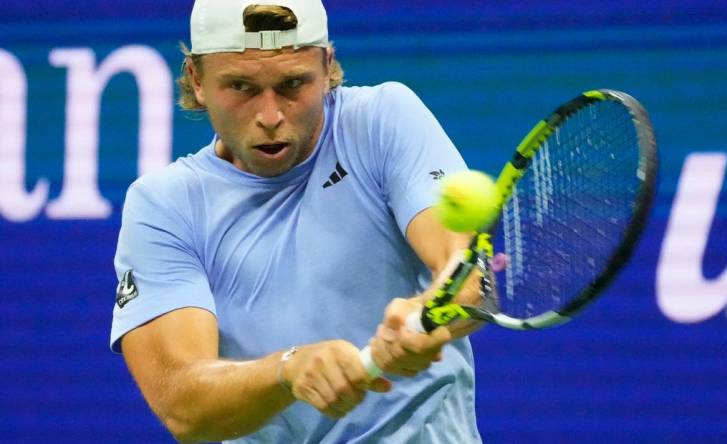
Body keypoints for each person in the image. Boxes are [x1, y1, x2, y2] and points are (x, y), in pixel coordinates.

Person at [111, 0, 482, 442]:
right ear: (197, 78)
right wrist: (286, 371)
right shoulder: (163, 205)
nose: (270, 116)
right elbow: (184, 405)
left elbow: (467, 268)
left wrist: (427, 314)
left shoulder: (382, 120)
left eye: (292, 84)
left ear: (326, 66)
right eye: (241, 87)